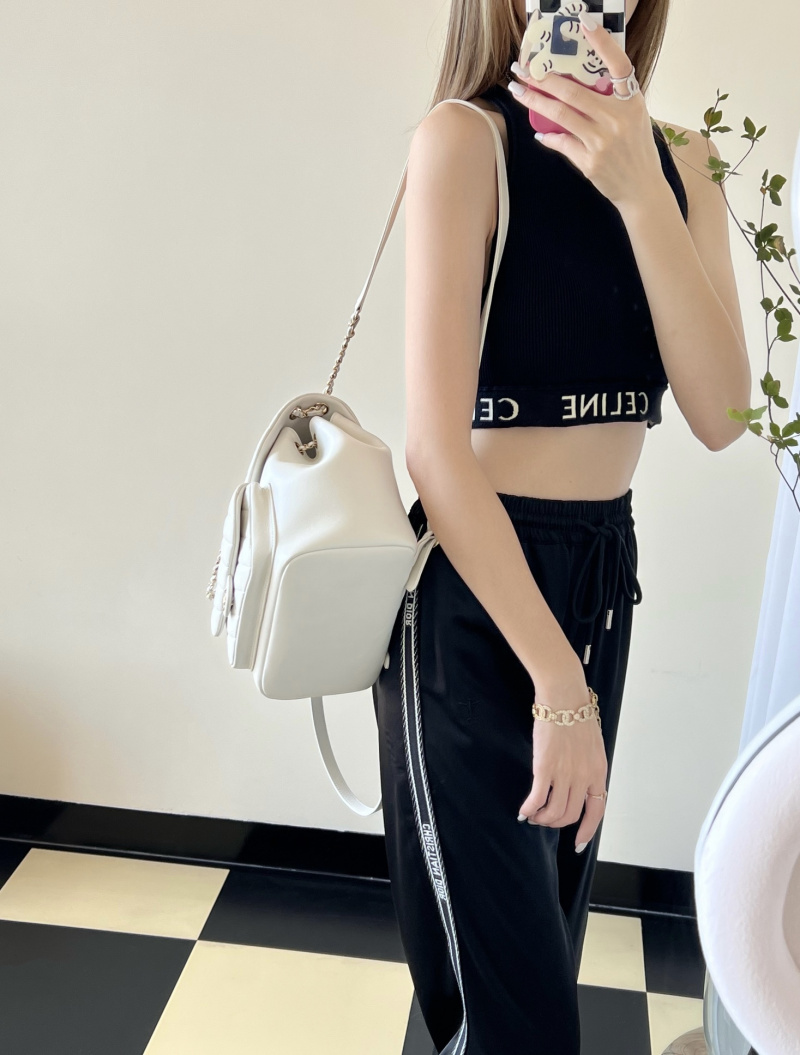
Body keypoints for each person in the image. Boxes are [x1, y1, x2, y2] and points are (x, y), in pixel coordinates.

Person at [371, 0, 750, 1052]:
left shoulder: (685, 163)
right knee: (517, 1017)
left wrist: (640, 187)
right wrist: (558, 684)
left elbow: (722, 414)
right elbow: (435, 451)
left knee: (537, 965)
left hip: (597, 580)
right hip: (471, 597)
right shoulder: (464, 141)